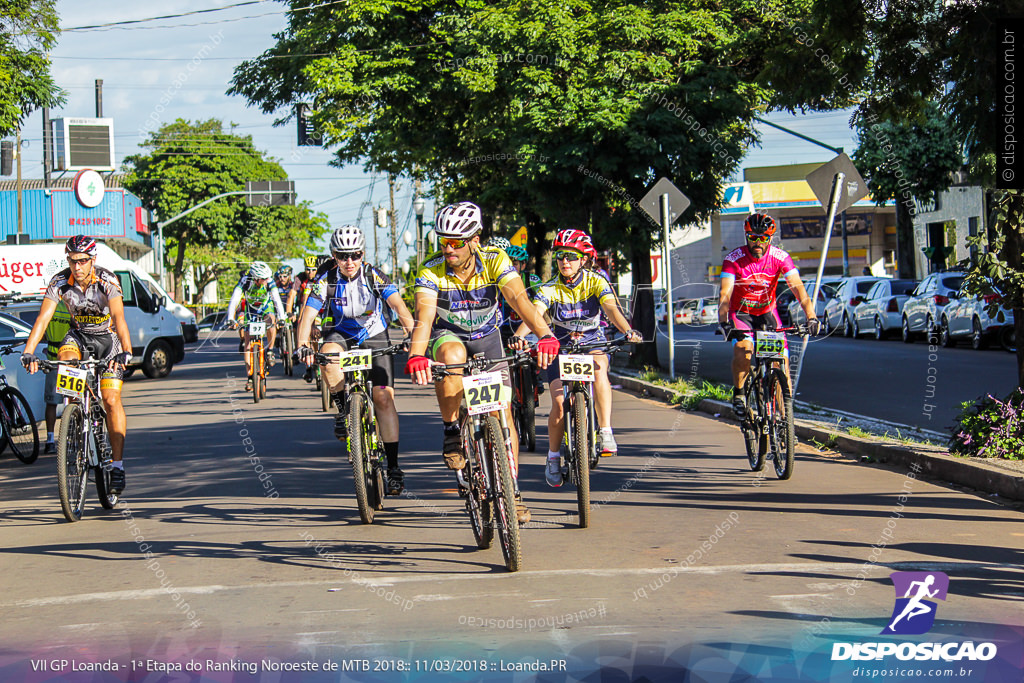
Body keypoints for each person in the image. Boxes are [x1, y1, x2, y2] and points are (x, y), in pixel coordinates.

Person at [405, 202, 560, 524]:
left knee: (504, 417)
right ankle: (451, 430)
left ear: (475, 239)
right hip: (449, 337)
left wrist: (544, 334)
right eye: (442, 241)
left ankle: (512, 491)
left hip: (489, 339)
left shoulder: (495, 261)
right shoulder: (431, 271)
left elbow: (519, 299)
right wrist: (416, 355)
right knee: (453, 356)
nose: (448, 248)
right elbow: (424, 317)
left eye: (456, 242)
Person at [511, 229, 641, 487]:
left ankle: (605, 431)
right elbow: (535, 315)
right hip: (559, 344)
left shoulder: (596, 281)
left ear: (584, 259)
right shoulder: (549, 287)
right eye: (560, 257)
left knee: (600, 368)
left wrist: (628, 331)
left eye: (571, 256)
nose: (565, 262)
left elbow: (611, 310)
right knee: (559, 404)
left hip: (592, 340)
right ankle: (553, 456)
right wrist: (518, 335)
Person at [296, 226, 415, 494]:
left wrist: (410, 334)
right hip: (341, 334)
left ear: (363, 254)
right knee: (327, 359)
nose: (349, 262)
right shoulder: (325, 280)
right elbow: (307, 317)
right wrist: (302, 345)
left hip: (374, 335)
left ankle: (394, 467)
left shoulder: (374, 275)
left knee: (383, 398)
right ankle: (343, 410)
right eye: (342, 255)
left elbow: (399, 306)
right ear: (334, 256)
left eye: (355, 255)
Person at [21, 236, 134, 494]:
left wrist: (126, 352)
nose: (77, 267)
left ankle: (117, 465)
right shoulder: (59, 282)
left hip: (108, 340)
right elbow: (42, 318)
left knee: (111, 400)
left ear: (93, 260)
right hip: (79, 337)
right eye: (72, 261)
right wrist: (28, 352)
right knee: (65, 360)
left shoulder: (108, 280)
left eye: (83, 261)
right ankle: (75, 415)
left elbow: (119, 318)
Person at [717, 213, 821, 419]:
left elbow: (798, 289)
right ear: (746, 236)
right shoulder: (733, 259)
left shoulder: (780, 258)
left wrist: (811, 316)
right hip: (741, 314)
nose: (757, 242)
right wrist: (724, 321)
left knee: (780, 361)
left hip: (766, 313)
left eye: (763, 238)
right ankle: (739, 394)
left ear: (770, 239)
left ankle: (785, 420)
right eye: (752, 237)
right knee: (743, 350)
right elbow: (724, 294)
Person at [227, 261, 287, 391]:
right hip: (251, 309)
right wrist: (230, 318)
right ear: (255, 278)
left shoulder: (269, 282)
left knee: (271, 321)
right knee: (248, 344)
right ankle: (250, 376)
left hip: (266, 307)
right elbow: (235, 299)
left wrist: (282, 318)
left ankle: (270, 350)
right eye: (263, 279)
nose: (266, 280)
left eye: (267, 278)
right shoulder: (245, 281)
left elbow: (276, 299)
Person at [41, 300, 72, 454]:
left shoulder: (50, 305)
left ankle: (50, 440)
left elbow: (42, 327)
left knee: (51, 403)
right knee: (73, 400)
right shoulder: (73, 305)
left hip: (53, 359)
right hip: (71, 361)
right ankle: (72, 437)